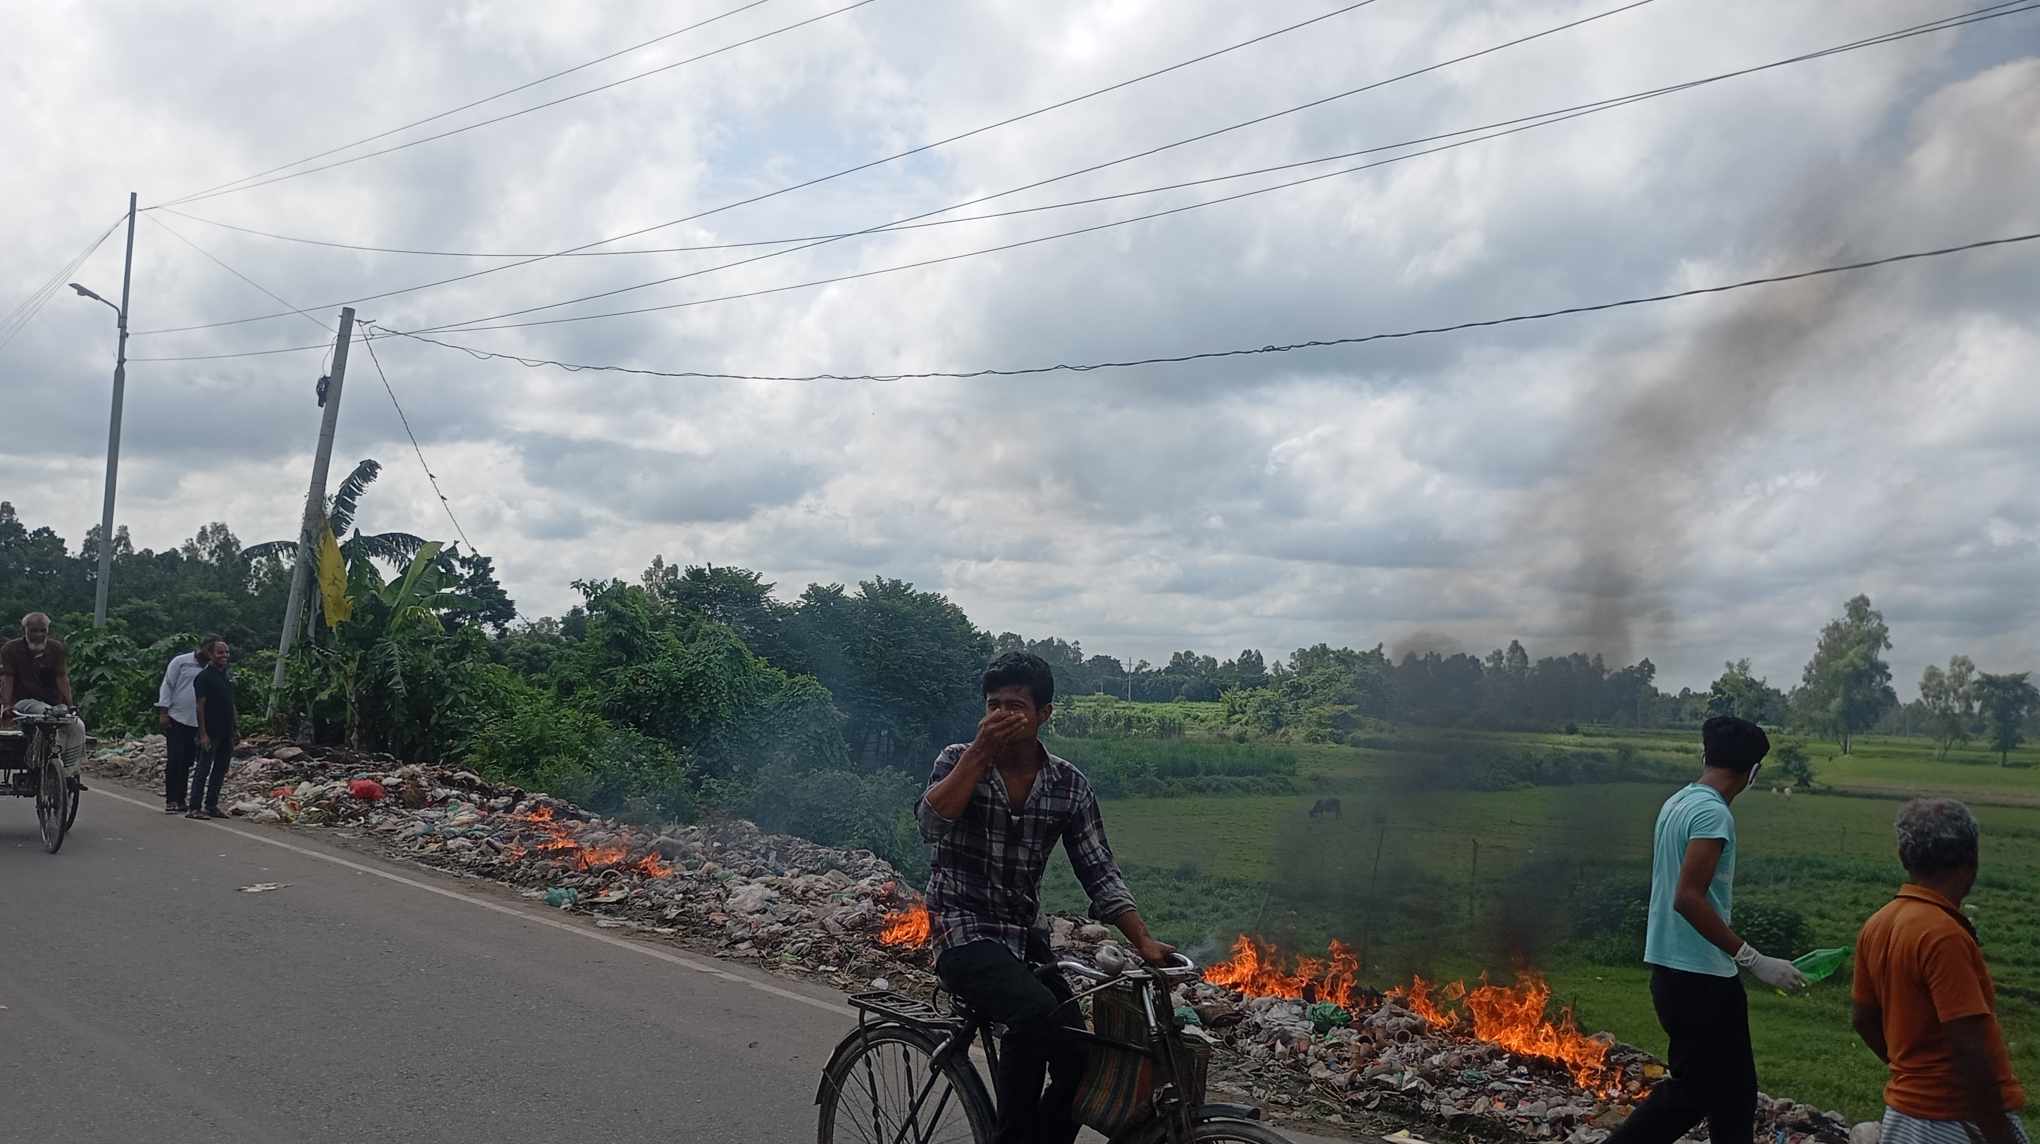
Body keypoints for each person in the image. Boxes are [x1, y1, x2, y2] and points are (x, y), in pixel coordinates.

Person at [919, 651, 1173, 1144]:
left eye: (1015, 706)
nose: (1002, 716)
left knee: (1081, 1054)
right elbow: (931, 824)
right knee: (1033, 1014)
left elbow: (1098, 868)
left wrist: (1142, 940)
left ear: (1044, 714)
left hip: (1022, 936)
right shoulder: (956, 759)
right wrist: (979, 752)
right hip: (960, 930)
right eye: (994, 705)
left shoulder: (1069, 785)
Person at [1605, 715, 1807, 1144]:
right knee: (1695, 1090)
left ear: (1706, 756)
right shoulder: (1713, 814)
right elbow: (1688, 897)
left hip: (1684, 972)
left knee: (1735, 1093)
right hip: (1698, 979)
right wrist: (1755, 960)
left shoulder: (1679, 801)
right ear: (1753, 771)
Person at [1852, 799, 2028, 1144]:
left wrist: (1914, 1073)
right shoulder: (1943, 934)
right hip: (1955, 1121)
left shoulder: (1878, 923)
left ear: (1905, 858)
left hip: (1904, 1117)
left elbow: (1862, 1018)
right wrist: (1997, 1134)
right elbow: (1969, 1046)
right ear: (1970, 859)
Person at [0, 611, 89, 792]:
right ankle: (36, 759)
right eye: (34, 631)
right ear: (24, 630)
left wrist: (70, 705)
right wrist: (6, 705)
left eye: (43, 631)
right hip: (24, 702)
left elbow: (62, 678)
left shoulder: (56, 649)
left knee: (76, 725)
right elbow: (8, 679)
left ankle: (68, 772)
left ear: (48, 631)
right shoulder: (11, 649)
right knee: (42, 712)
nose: (39, 635)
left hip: (53, 703)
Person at [156, 637, 212, 814]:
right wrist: (163, 712)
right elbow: (167, 685)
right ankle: (171, 799)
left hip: (198, 722)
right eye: (209, 650)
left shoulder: (211, 667)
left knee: (187, 761)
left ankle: (181, 799)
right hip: (176, 717)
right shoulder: (181, 662)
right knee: (174, 759)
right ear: (202, 648)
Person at [186, 638, 236, 819]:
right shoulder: (204, 677)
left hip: (226, 731)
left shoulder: (225, 675)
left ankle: (211, 805)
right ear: (211, 654)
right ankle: (194, 807)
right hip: (211, 731)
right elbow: (200, 706)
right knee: (203, 769)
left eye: (227, 652)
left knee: (220, 769)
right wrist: (203, 733)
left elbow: (230, 704)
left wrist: (235, 729)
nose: (225, 656)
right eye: (220, 652)